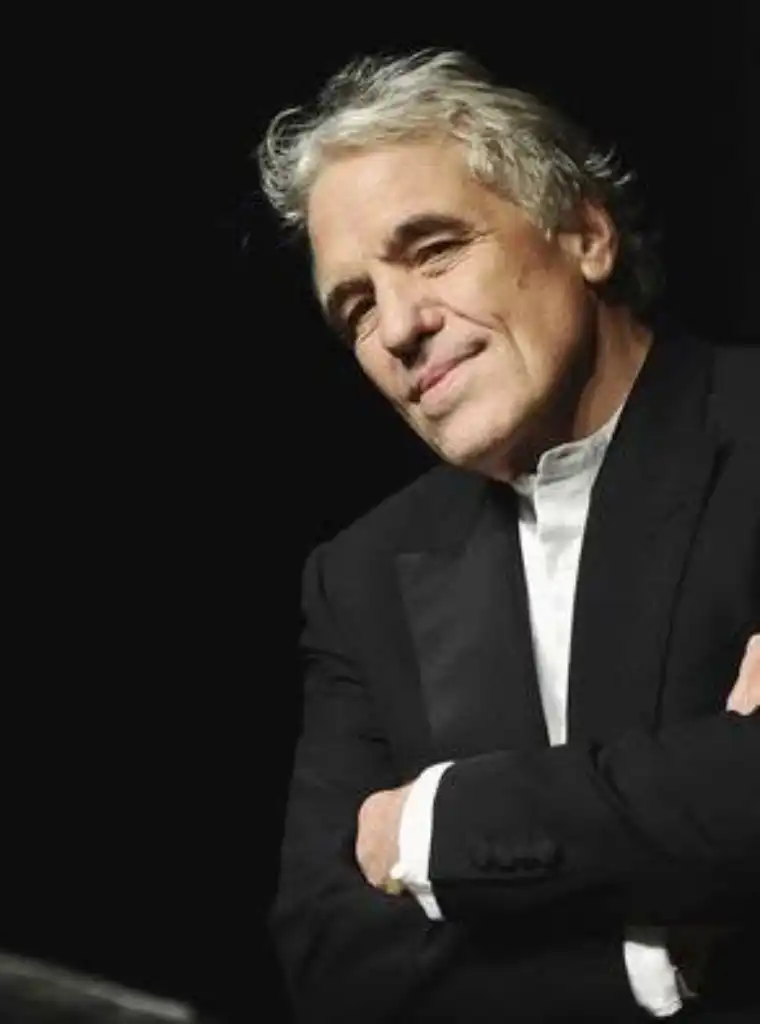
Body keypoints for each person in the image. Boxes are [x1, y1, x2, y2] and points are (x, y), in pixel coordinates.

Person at [256, 49, 759, 1023]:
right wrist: (647, 965)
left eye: (434, 250)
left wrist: (434, 825)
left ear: (585, 235)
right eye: (356, 306)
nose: (398, 327)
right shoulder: (358, 576)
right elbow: (330, 953)